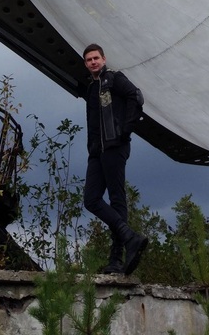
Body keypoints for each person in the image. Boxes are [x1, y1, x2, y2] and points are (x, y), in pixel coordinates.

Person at [81, 43, 147, 275]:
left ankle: (116, 259)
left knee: (117, 199)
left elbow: (135, 96)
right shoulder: (91, 88)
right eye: (89, 60)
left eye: (96, 58)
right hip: (96, 151)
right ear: (86, 64)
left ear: (104, 58)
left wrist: (125, 131)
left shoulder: (114, 79)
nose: (93, 62)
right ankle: (129, 237)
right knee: (91, 199)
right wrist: (92, 148)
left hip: (114, 146)